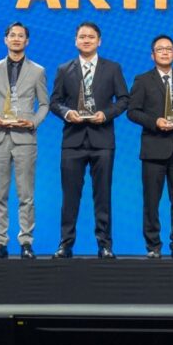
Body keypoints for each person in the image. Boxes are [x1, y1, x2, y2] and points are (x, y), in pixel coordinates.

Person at [50, 21, 129, 259]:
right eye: (82, 37)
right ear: (75, 41)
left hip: (102, 140)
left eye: (91, 37)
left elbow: (123, 100)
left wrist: (106, 114)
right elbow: (54, 102)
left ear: (99, 41)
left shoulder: (112, 68)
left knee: (102, 195)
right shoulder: (64, 69)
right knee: (70, 196)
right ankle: (65, 244)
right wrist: (67, 113)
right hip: (72, 141)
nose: (86, 40)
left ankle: (105, 245)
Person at [0, 21, 49, 259]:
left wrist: (34, 122)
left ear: (27, 41)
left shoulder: (37, 70)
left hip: (25, 138)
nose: (16, 39)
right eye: (12, 35)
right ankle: (0, 242)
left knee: (25, 195)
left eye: (21, 36)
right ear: (5, 39)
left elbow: (45, 104)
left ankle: (26, 242)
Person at [127, 35, 173, 259]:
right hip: (153, 148)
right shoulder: (142, 80)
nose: (165, 52)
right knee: (151, 201)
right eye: (160, 49)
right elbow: (132, 112)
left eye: (168, 49)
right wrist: (154, 122)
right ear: (152, 55)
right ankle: (153, 245)